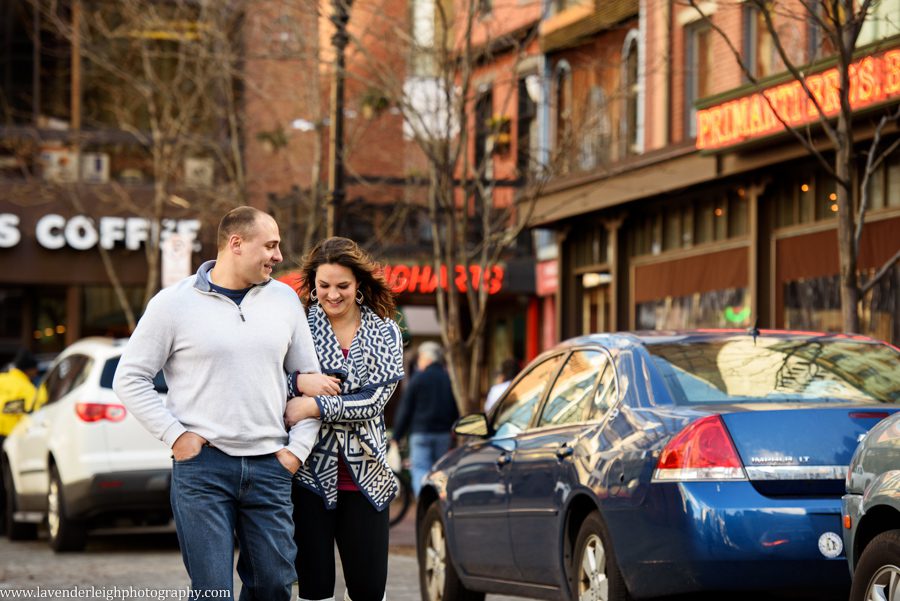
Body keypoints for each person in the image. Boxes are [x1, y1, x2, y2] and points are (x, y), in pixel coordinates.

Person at [113, 206, 321, 601]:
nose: (279, 256)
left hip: (270, 465)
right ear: (236, 244)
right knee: (213, 592)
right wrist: (175, 435)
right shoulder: (172, 304)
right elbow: (130, 377)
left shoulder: (284, 300)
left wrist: (296, 452)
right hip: (203, 469)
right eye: (271, 246)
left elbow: (309, 384)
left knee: (274, 585)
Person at [283, 237, 405, 601]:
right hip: (307, 477)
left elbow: (374, 400)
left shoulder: (385, 330)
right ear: (313, 284)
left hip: (367, 478)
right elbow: (271, 379)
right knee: (313, 590)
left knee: (368, 591)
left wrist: (313, 406)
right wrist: (298, 382)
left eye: (342, 286)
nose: (332, 295)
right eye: (323, 286)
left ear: (359, 285)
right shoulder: (298, 325)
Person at [392, 341, 459, 497]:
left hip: (420, 433)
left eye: (420, 357)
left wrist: (397, 435)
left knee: (420, 470)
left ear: (427, 358)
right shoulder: (447, 378)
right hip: (443, 434)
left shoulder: (418, 378)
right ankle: (439, 503)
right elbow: (454, 407)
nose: (419, 361)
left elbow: (406, 409)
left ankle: (425, 504)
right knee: (439, 472)